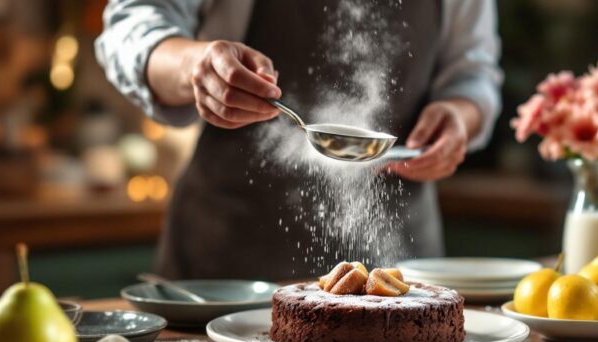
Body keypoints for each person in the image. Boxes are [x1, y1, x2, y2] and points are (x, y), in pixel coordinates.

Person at [96, 0, 502, 280]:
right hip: (229, 269)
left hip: (402, 266)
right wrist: (194, 66)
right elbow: (132, 26)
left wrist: (460, 118)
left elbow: (475, 72)